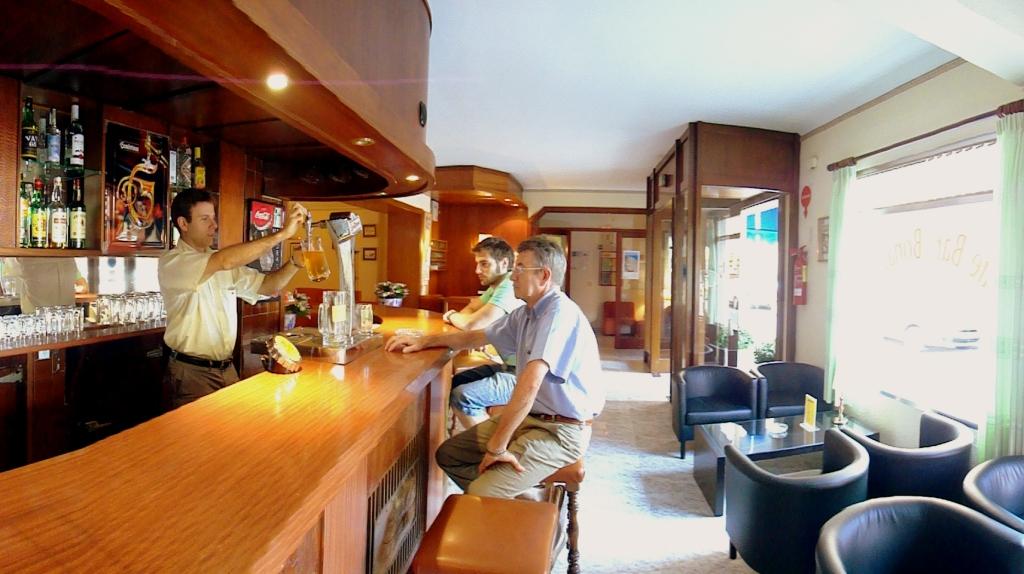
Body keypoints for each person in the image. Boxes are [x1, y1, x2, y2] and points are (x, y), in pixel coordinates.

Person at [386, 236, 604, 499]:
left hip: (562, 430)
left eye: (520, 268)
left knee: (482, 491)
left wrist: (497, 447)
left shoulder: (558, 314)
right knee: (449, 455)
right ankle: (516, 498)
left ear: (544, 275)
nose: (512, 276)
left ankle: (509, 501)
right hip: (534, 418)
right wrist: (425, 341)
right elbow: (477, 336)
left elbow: (530, 384)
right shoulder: (527, 312)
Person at [159, 189, 307, 408]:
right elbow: (224, 261)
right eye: (205, 219)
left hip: (227, 369)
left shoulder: (218, 261)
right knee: (197, 431)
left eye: (214, 218)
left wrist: (294, 263)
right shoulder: (173, 262)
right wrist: (281, 235)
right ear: (183, 223)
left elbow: (268, 286)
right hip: (191, 373)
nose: (214, 225)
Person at [443, 237, 523, 429]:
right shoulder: (497, 286)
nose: (477, 271)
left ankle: (492, 445)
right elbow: (471, 309)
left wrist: (451, 315)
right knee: (456, 382)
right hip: (510, 366)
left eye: (484, 264)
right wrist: (462, 320)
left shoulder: (508, 285)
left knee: (463, 396)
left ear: (504, 263)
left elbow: (472, 323)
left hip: (522, 374)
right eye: (478, 264)